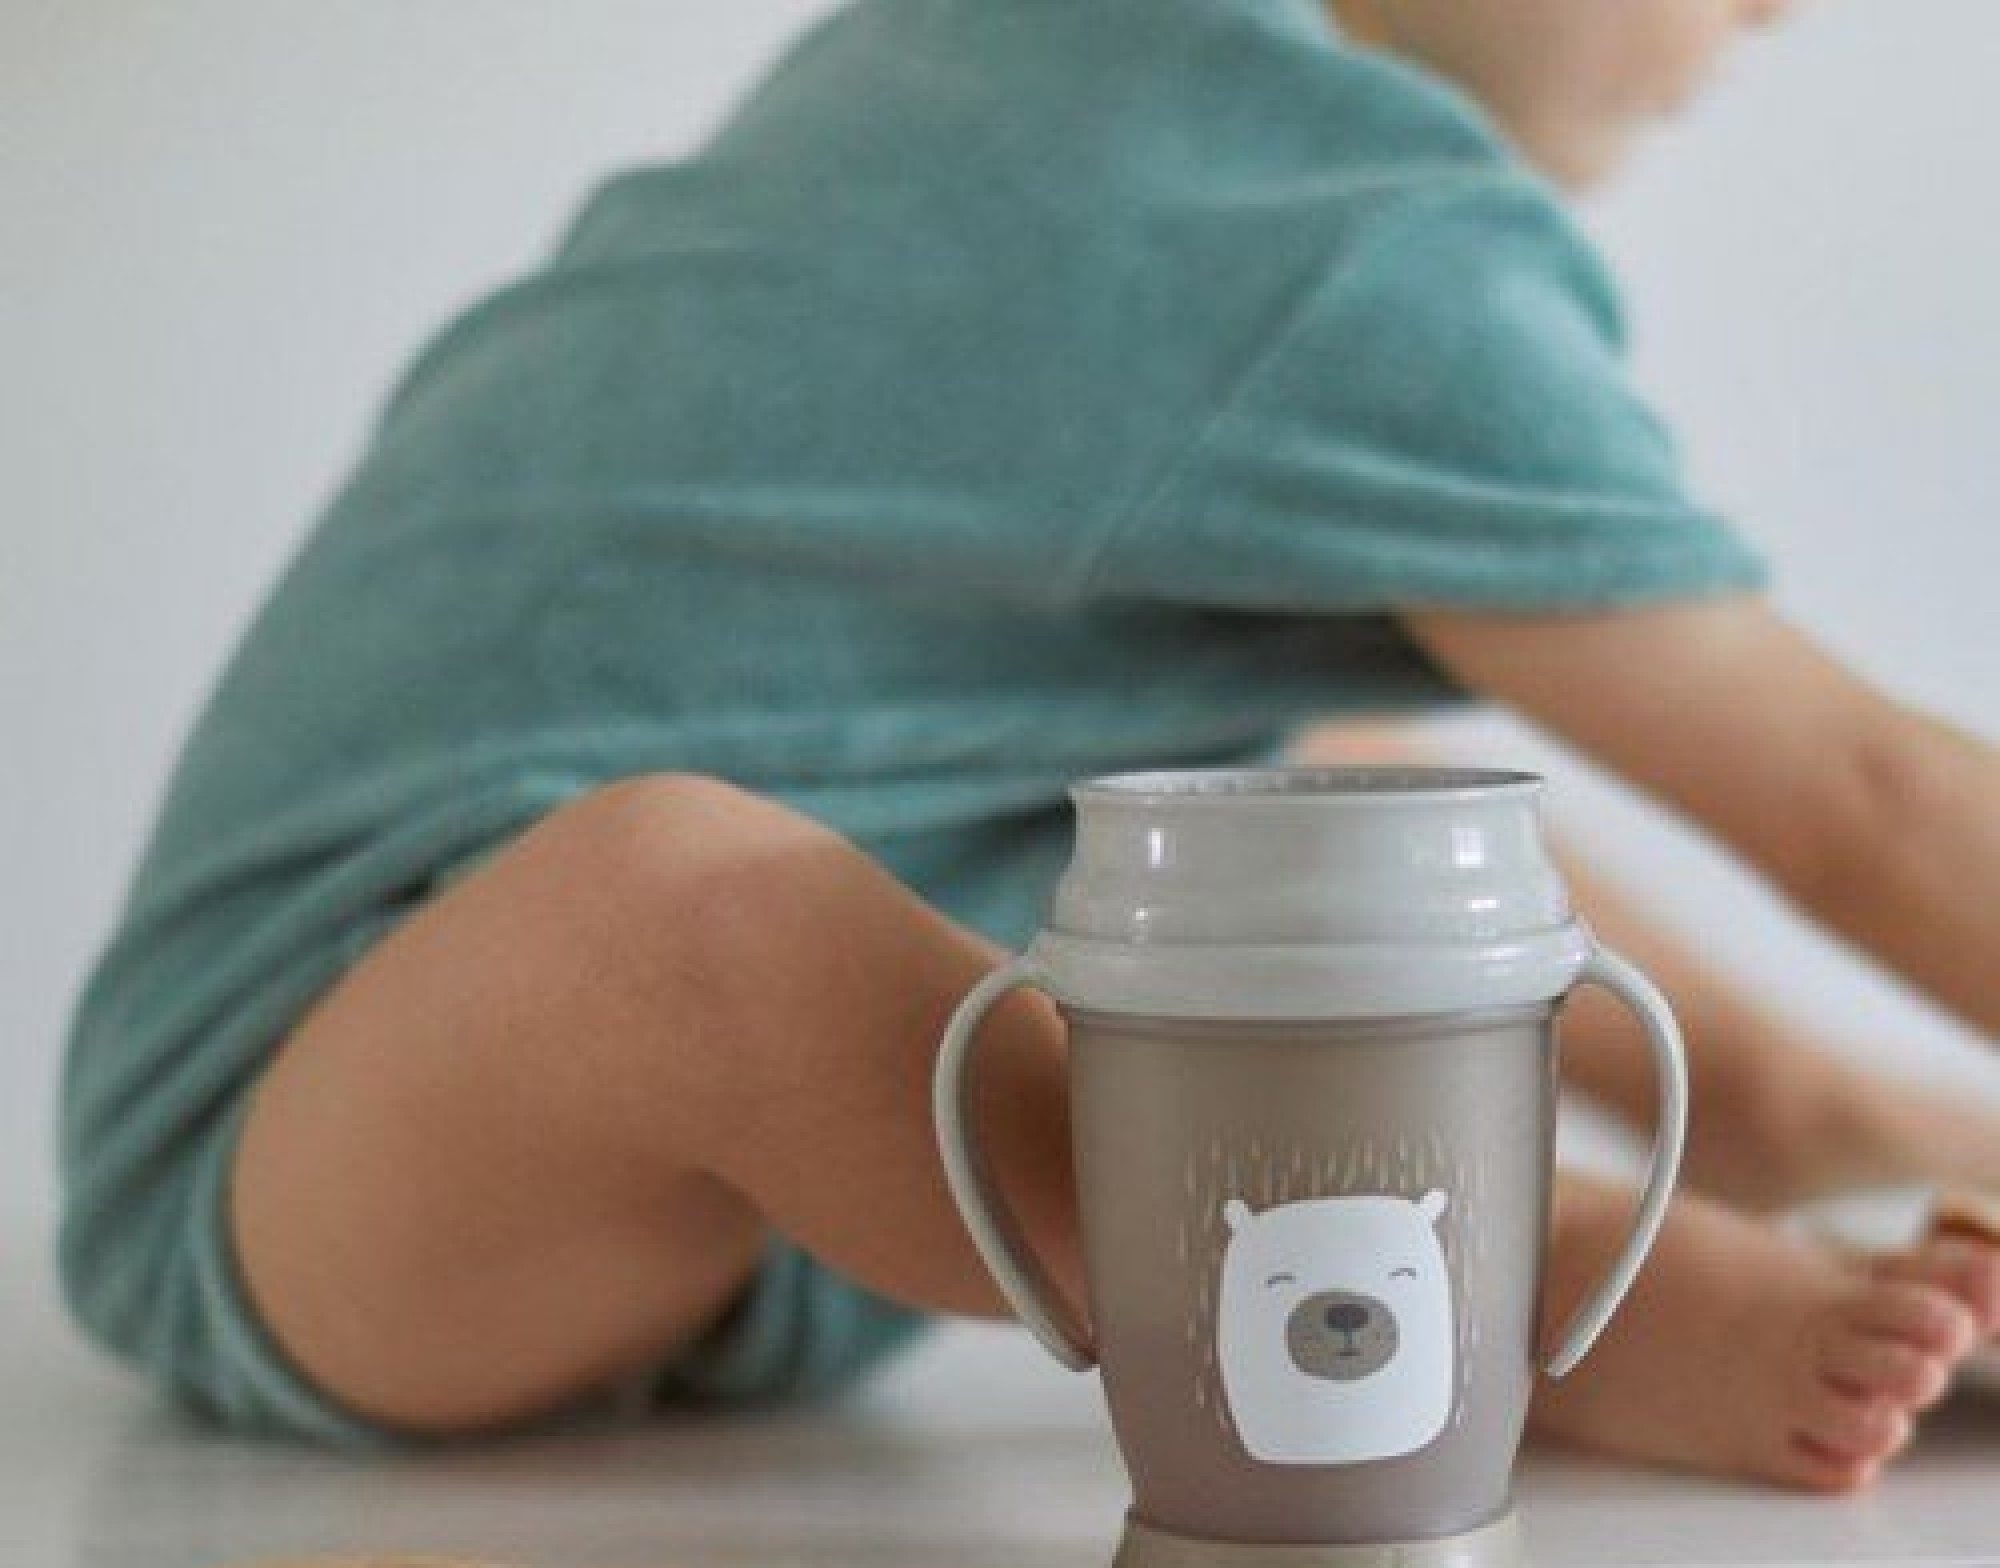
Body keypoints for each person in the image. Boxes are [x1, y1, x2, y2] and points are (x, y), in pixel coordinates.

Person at [56, 0, 1999, 1490]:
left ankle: (1792, 1109)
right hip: (329, 1150)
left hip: (796, 1198)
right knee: (675, 900)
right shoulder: (1326, 245)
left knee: (1326, 795)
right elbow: (1861, 800)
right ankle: (1520, 1285)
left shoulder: (1033, 68)